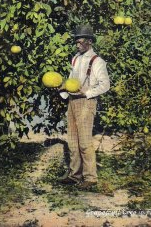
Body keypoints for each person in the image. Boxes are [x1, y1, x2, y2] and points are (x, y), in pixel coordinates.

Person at [59, 23, 110, 189]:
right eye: (76, 42)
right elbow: (72, 80)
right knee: (72, 141)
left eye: (80, 41)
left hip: (86, 103)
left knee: (85, 142)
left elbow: (105, 85)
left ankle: (90, 177)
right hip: (72, 102)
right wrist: (63, 89)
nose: (77, 45)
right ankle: (75, 175)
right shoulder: (75, 58)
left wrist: (86, 94)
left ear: (89, 41)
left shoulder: (97, 61)